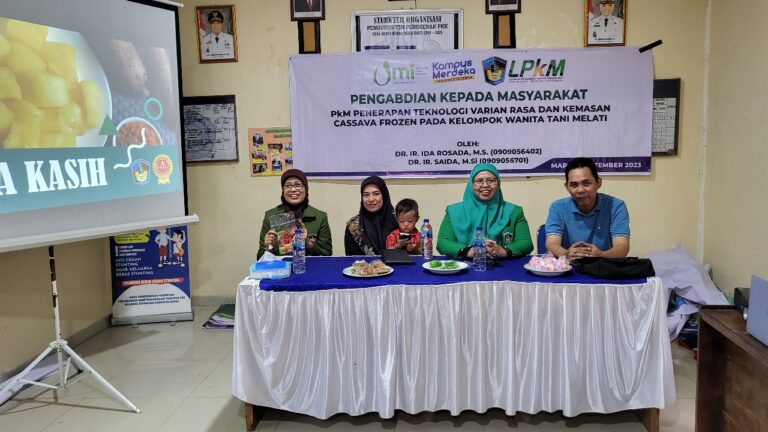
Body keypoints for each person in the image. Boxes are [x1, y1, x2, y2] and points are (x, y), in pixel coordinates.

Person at [437, 163, 533, 260]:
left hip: (504, 265)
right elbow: (442, 242)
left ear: (498, 183)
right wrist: (470, 251)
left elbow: (526, 243)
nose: (485, 185)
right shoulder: (454, 211)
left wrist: (502, 250)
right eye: (479, 181)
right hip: (464, 265)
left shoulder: (514, 211)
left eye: (491, 180)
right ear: (471, 184)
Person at [545, 157, 630, 260]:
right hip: (569, 265)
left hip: (604, 264)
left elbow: (622, 246)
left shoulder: (616, 206)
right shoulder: (558, 207)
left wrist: (601, 255)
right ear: (567, 187)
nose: (580, 190)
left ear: (598, 183)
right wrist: (566, 254)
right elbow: (551, 243)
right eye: (574, 185)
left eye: (586, 183)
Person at [258, 169, 332, 258]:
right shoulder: (271, 216)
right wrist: (269, 247)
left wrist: (308, 243)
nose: (293, 189)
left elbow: (327, 254)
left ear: (306, 189)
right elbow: (259, 257)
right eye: (288, 186)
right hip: (280, 266)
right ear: (283, 190)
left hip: (309, 265)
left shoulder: (320, 217)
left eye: (298, 185)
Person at [345, 176, 397, 256]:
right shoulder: (353, 226)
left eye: (376, 194)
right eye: (366, 195)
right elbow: (351, 259)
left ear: (384, 195)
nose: (371, 199)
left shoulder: (399, 220)